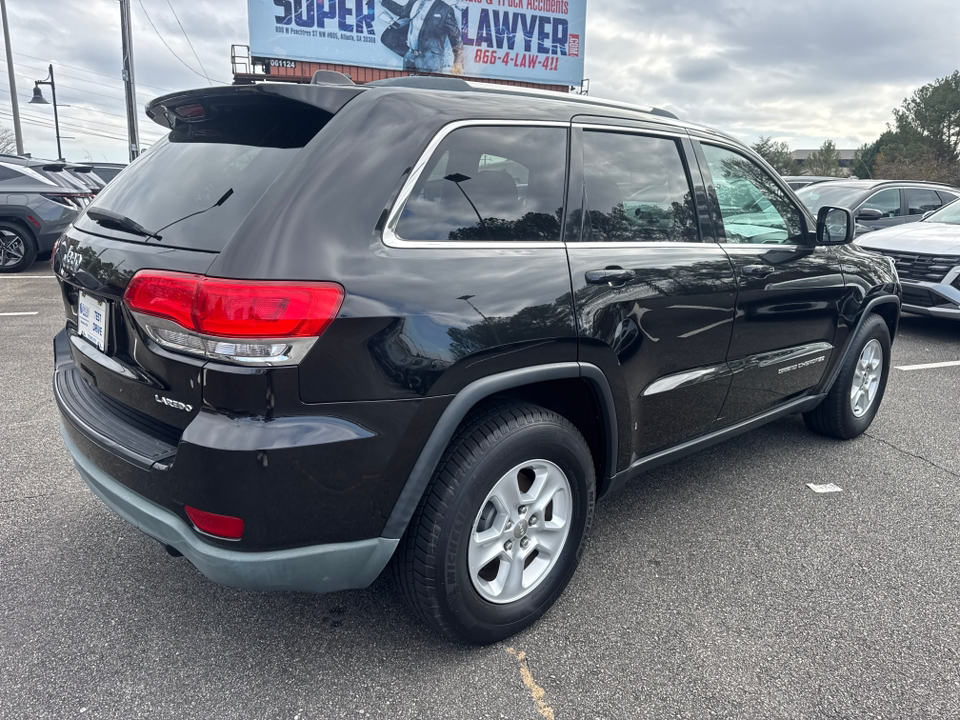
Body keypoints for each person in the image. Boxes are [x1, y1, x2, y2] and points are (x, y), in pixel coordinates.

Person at [381, 0, 465, 75]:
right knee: (407, 87)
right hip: (411, 56)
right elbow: (401, 11)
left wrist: (458, 61)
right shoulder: (414, 2)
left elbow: (455, 37)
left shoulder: (445, 9)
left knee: (427, 89)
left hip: (431, 60)